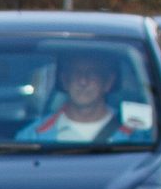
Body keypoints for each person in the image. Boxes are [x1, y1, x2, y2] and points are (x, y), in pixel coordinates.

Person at [17, 51, 147, 145]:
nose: (83, 81)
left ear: (108, 82)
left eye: (92, 73)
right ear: (65, 81)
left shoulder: (137, 134)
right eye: (76, 73)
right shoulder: (32, 137)